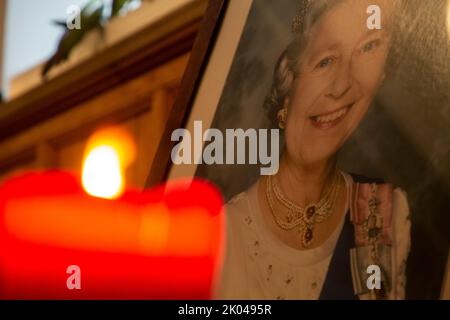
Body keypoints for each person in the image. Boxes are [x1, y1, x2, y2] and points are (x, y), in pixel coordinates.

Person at [215, 0, 411, 300]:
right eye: (325, 61)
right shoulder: (224, 236)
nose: (342, 85)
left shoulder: (383, 213)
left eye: (368, 47)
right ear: (287, 88)